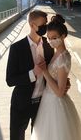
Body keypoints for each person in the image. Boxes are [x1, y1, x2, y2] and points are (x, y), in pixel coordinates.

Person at [31, 14, 81, 140]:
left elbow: (60, 92)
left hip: (56, 103)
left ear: (63, 36)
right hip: (48, 100)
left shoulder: (63, 57)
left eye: (54, 38)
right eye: (49, 38)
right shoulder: (56, 53)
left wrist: (45, 71)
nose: (51, 41)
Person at [6, 10, 55, 140]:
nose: (45, 28)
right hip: (21, 102)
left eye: (46, 24)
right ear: (32, 25)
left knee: (40, 136)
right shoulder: (16, 48)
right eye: (42, 25)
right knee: (17, 136)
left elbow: (53, 70)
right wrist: (32, 73)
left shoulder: (49, 45)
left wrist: (63, 82)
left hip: (43, 102)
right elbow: (10, 80)